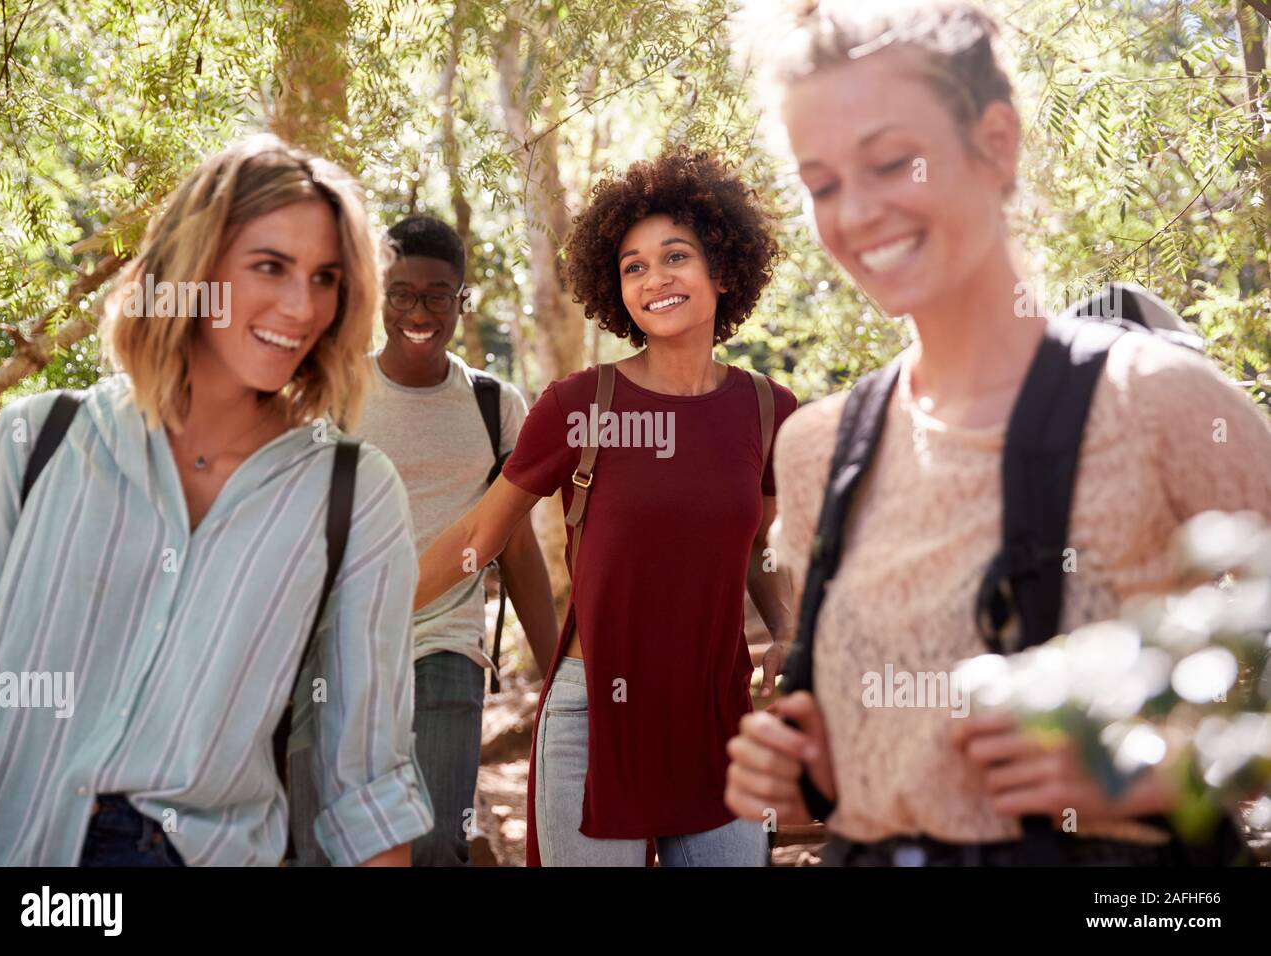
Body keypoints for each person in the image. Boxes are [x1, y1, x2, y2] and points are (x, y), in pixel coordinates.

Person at [724, 0, 1271, 865]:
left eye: (892, 161)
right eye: (823, 183)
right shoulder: (819, 450)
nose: (857, 213)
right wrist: (819, 773)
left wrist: (1161, 770)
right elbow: (877, 756)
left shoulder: (1157, 404)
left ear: (997, 143)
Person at [0, 135, 432, 866]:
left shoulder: (352, 492)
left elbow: (368, 776)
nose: (299, 304)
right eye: (270, 266)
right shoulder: (35, 443)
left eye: (324, 277)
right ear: (195, 267)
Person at [415, 147, 798, 866]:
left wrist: (786, 626)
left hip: (715, 723)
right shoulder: (579, 405)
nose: (655, 279)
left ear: (723, 266)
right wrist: (362, 613)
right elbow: (480, 532)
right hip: (594, 717)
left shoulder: (767, 410)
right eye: (633, 266)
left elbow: (758, 545)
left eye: (675, 257)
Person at [355, 213, 558, 867]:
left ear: (460, 299)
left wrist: (558, 670)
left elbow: (517, 545)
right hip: (342, 648)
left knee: (438, 840)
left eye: (437, 294)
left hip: (447, 646)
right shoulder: (335, 392)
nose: (419, 309)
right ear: (379, 295)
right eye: (402, 292)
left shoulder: (495, 404)